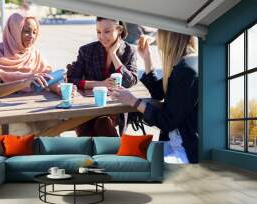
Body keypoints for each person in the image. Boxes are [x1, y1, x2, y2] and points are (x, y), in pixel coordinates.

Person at [111, 30, 198, 164]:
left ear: (169, 37)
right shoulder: (188, 62)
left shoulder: (186, 70)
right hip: (175, 143)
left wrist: (133, 101)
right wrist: (147, 57)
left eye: (159, 32)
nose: (157, 38)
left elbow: (167, 121)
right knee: (124, 157)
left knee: (129, 163)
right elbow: (157, 93)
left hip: (184, 149)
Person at [67, 17, 137, 137]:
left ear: (119, 30)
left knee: (102, 123)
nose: (102, 36)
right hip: (88, 107)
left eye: (107, 31)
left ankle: (115, 154)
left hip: (114, 108)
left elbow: (129, 81)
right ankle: (92, 155)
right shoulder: (87, 50)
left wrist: (113, 54)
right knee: (83, 126)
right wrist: (100, 84)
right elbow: (72, 79)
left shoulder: (129, 51)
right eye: (98, 32)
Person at [0, 12, 60, 99]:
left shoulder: (34, 53)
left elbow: (47, 81)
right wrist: (24, 82)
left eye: (34, 32)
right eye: (26, 31)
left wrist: (59, 89)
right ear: (14, 31)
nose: (31, 36)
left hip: (31, 105)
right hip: (2, 108)